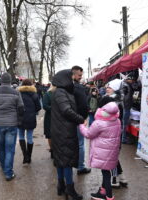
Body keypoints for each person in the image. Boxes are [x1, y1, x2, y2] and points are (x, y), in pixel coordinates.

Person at [51, 69, 84, 200]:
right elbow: (66, 110)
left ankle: (61, 185)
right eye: (70, 78)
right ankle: (70, 189)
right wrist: (80, 119)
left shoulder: (59, 92)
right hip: (64, 132)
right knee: (66, 162)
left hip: (60, 130)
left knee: (60, 160)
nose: (71, 80)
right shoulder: (61, 92)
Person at [79, 102, 121, 200]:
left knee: (105, 173)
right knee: (106, 171)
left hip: (103, 153)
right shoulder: (117, 120)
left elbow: (88, 134)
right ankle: (103, 191)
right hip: (112, 152)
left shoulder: (99, 123)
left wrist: (82, 126)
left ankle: (109, 196)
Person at [0, 73, 24, 181]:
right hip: (12, 123)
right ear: (10, 81)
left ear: (1, 81)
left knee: (1, 147)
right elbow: (21, 108)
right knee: (10, 149)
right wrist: (19, 120)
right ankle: (8, 172)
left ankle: (4, 167)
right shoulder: (16, 92)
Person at [99, 79, 128, 189]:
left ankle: (115, 179)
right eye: (107, 87)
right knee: (112, 155)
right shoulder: (111, 99)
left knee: (111, 156)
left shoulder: (115, 102)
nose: (107, 89)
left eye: (110, 87)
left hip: (112, 133)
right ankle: (122, 177)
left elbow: (110, 118)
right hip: (111, 132)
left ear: (115, 89)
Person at [71, 66, 91, 175]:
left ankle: (69, 165)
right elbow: (83, 105)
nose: (81, 77)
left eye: (81, 75)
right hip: (78, 119)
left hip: (68, 118)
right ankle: (81, 166)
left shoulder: (65, 87)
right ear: (73, 75)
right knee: (80, 143)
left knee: (71, 142)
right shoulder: (78, 87)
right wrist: (84, 118)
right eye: (79, 75)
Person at [17, 79, 41, 164]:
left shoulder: (18, 94)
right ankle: (29, 157)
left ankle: (25, 156)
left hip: (20, 118)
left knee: (21, 135)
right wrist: (32, 111)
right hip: (31, 118)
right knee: (30, 136)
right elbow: (38, 107)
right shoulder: (34, 94)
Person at [42, 84, 56, 158]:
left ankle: (56, 150)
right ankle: (52, 150)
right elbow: (45, 106)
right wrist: (55, 108)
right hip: (49, 117)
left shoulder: (60, 94)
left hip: (58, 118)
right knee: (50, 135)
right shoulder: (47, 94)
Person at [121, 75, 134, 144]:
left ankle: (123, 137)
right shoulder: (126, 85)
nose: (132, 81)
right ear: (128, 79)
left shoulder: (125, 85)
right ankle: (123, 139)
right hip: (126, 106)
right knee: (124, 123)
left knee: (124, 123)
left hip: (125, 106)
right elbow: (124, 97)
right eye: (131, 79)